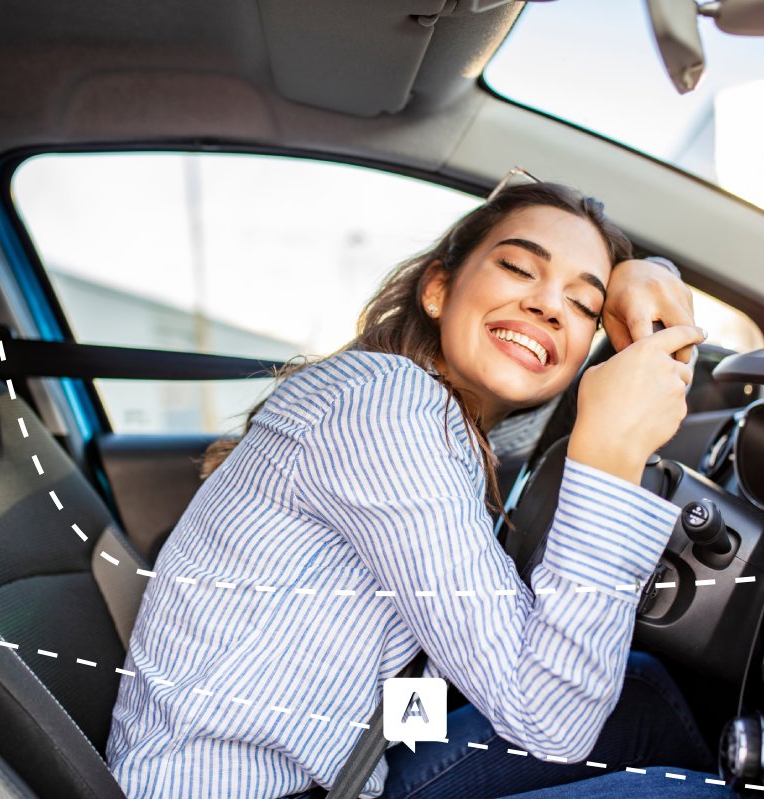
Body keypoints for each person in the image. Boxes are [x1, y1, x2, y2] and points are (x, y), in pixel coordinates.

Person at [106, 179, 713, 799]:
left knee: (643, 695)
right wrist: (612, 456)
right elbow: (553, 721)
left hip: (346, 769)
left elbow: (408, 685)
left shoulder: (455, 429)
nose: (549, 305)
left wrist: (647, 272)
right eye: (517, 267)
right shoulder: (387, 403)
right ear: (438, 289)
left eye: (584, 306)